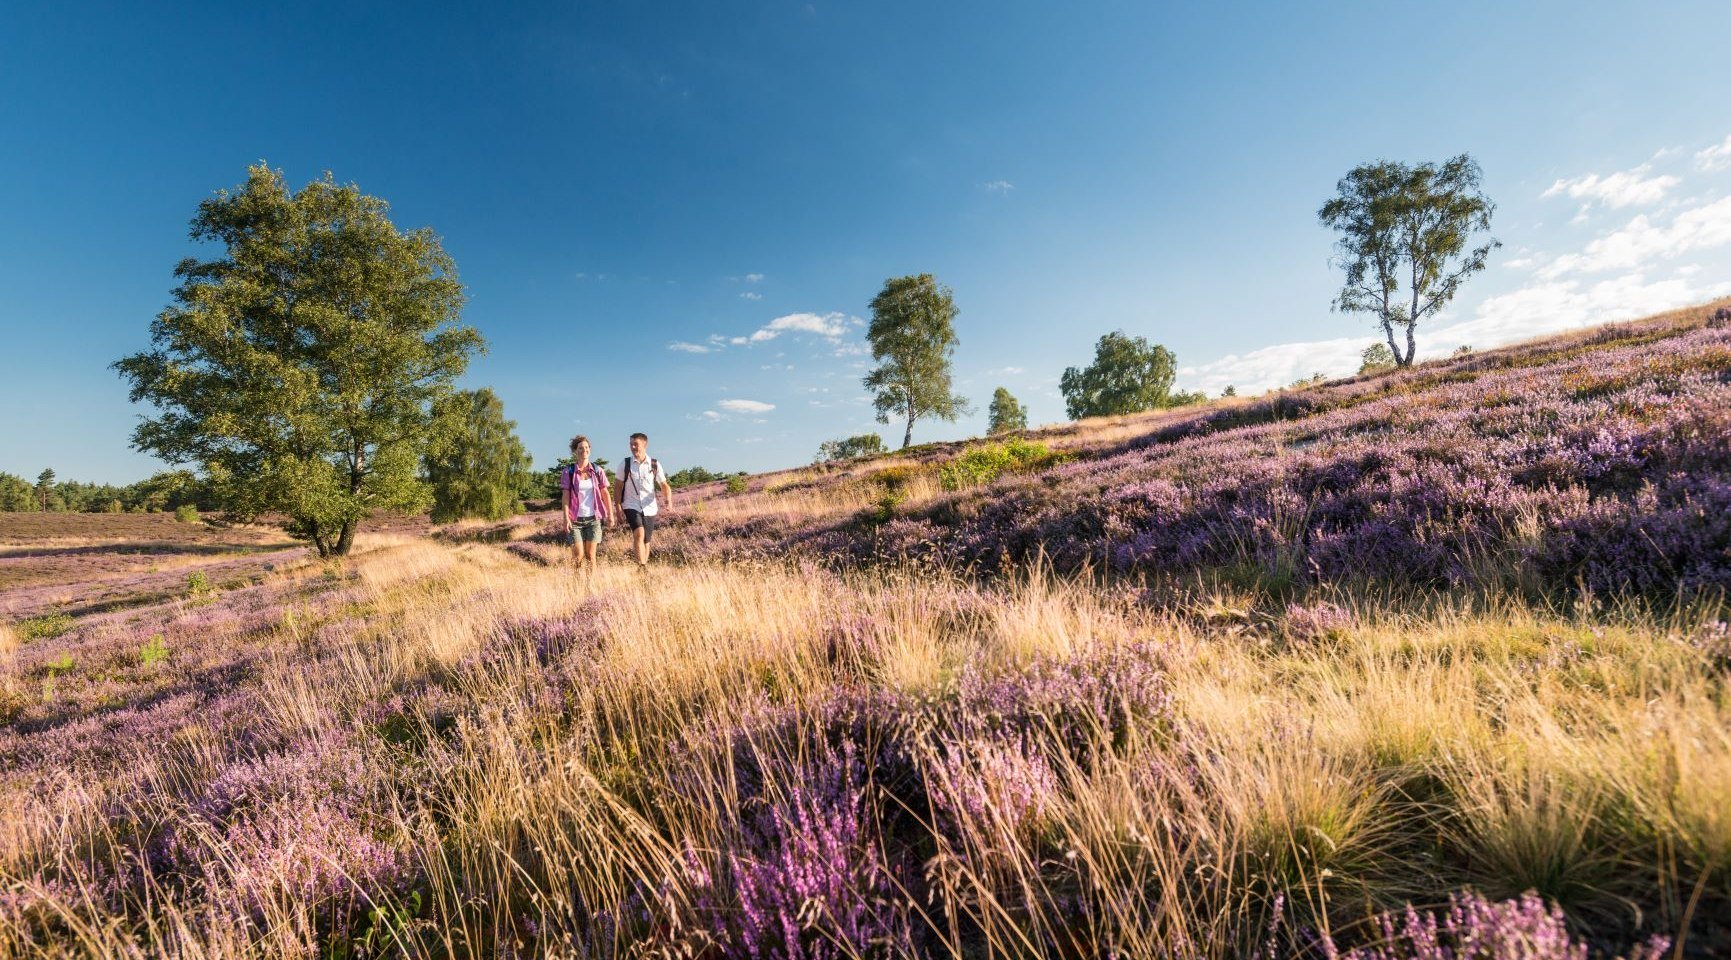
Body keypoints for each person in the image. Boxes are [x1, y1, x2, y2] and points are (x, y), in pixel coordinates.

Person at [615, 432, 672, 569]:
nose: (633, 447)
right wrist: (618, 508)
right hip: (630, 505)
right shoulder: (625, 464)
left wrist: (668, 500)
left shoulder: (654, 464)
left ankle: (642, 568)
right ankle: (642, 566)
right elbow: (617, 487)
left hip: (650, 507)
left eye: (636, 444)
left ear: (645, 445)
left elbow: (664, 485)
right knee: (639, 533)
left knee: (646, 540)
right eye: (631, 444)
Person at [558, 435, 613, 577]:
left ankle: (590, 587)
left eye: (587, 447)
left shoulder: (597, 470)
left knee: (590, 555)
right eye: (581, 448)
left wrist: (610, 515)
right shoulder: (568, 472)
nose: (584, 450)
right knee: (578, 555)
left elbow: (605, 493)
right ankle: (577, 585)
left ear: (590, 450)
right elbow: (565, 497)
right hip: (575, 519)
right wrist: (565, 518)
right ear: (575, 451)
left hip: (594, 519)